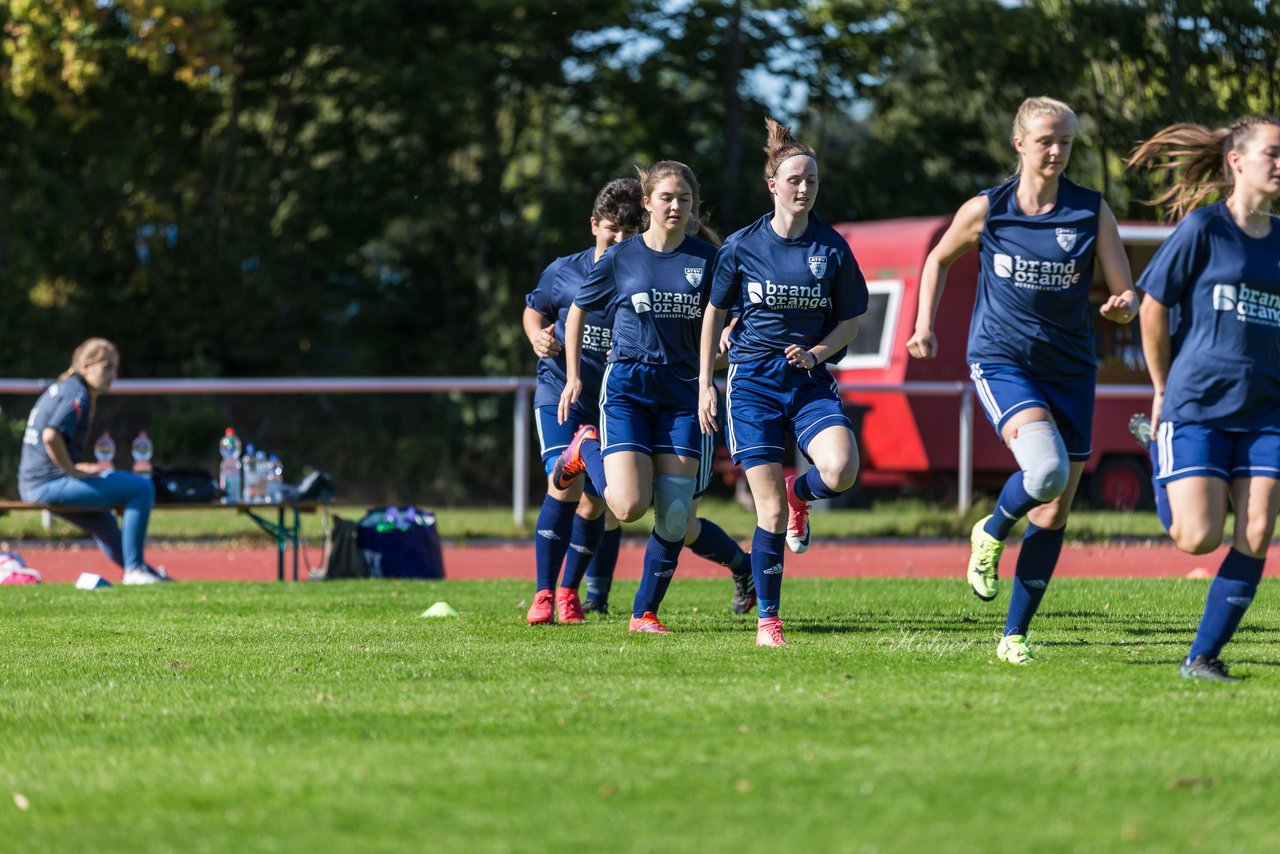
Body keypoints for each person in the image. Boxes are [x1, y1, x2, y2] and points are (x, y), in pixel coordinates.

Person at [906, 96, 1136, 664]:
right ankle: (992, 528)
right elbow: (937, 259)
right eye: (1045, 141)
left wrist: (1123, 306)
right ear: (1019, 144)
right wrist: (924, 326)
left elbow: (1126, 289)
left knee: (1055, 510)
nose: (1056, 150)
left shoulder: (1091, 210)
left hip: (1072, 369)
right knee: (1048, 470)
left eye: (1065, 141)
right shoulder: (990, 208)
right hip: (1002, 361)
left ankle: (1014, 636)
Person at [698, 118, 869, 647]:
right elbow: (714, 310)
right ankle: (769, 620)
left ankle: (803, 493)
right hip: (751, 385)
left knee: (840, 470)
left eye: (812, 181)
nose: (803, 189)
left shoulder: (833, 247)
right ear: (772, 185)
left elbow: (851, 319)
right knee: (766, 510)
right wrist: (707, 381)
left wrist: (818, 352)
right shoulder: (741, 246)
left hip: (808, 381)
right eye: (794, 179)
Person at [1125, 115, 1280, 681]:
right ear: (1237, 161)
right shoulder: (1204, 229)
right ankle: (1155, 445)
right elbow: (1153, 306)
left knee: (1259, 530)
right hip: (1197, 404)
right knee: (1197, 538)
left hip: (1268, 408)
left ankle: (1203, 657)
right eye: (1273, 152)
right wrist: (1161, 387)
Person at [552, 160, 718, 634]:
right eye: (666, 197)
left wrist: (725, 341)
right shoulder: (620, 258)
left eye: (684, 199)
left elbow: (724, 316)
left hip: (683, 392)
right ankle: (585, 448)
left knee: (676, 512)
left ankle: (643, 613)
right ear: (647, 202)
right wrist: (572, 378)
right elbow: (577, 312)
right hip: (628, 388)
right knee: (626, 508)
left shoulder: (708, 261)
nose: (675, 206)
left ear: (692, 205)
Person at [522, 179, 643, 625]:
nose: (620, 239)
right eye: (613, 228)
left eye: (632, 231)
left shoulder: (640, 277)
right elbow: (535, 308)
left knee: (596, 503)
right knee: (562, 481)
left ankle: (569, 592)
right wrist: (536, 334)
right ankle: (542, 595)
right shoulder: (564, 271)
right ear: (594, 225)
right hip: (559, 394)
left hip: (609, 404)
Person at [18, 338, 170, 585]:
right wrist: (72, 471)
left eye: (115, 368)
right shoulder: (77, 392)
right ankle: (135, 571)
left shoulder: (67, 387)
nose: (113, 374)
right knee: (141, 488)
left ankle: (143, 572)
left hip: (35, 484)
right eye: (107, 367)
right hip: (46, 485)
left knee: (104, 521)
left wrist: (73, 468)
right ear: (86, 366)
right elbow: (50, 436)